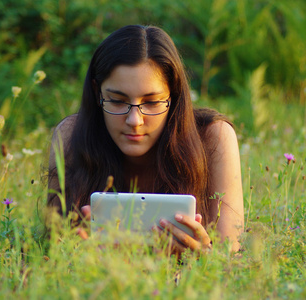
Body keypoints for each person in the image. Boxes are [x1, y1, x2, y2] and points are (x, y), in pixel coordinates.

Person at [47, 25, 244, 253]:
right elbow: (54, 248)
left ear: (174, 95)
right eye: (117, 101)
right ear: (97, 92)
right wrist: (82, 252)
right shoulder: (71, 136)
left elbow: (231, 254)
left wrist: (204, 255)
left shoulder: (213, 137)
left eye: (151, 103)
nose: (134, 120)